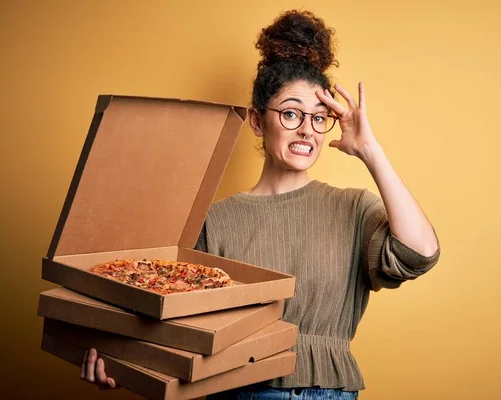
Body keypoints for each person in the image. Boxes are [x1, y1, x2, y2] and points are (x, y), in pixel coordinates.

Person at [80, 9, 440, 399]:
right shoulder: (212, 220)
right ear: (256, 120)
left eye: (320, 118)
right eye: (290, 113)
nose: (307, 129)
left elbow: (419, 253)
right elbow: (177, 327)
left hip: (325, 392)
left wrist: (370, 150)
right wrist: (123, 362)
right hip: (234, 391)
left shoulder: (352, 209)